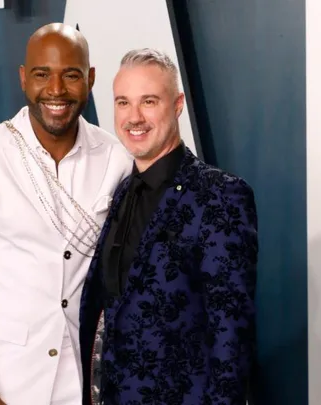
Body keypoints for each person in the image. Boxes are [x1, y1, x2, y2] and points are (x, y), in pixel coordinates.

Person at [0, 23, 132, 405]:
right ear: (24, 79)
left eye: (71, 75)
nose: (56, 90)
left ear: (90, 79)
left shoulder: (117, 159)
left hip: (84, 384)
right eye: (42, 74)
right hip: (3, 382)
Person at [79, 49, 258, 405]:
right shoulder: (121, 192)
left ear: (177, 105)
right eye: (123, 103)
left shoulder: (219, 195)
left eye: (148, 101)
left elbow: (231, 340)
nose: (134, 117)